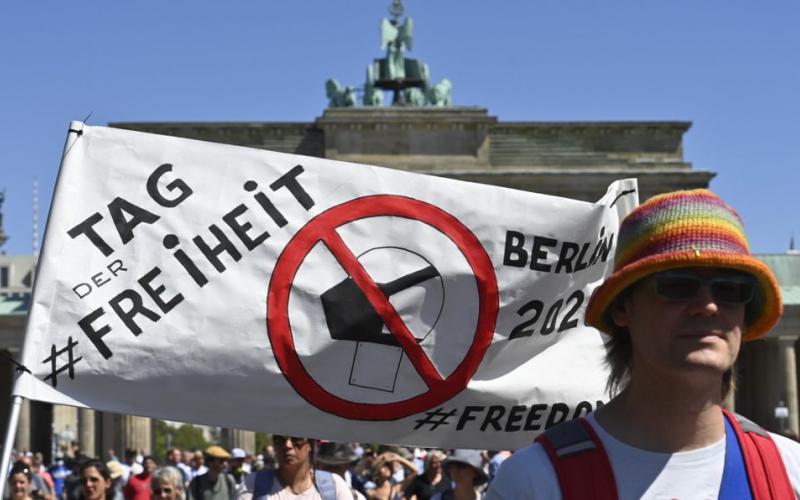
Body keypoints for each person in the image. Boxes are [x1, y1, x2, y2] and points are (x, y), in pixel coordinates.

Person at [487, 189, 800, 498]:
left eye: (731, 289)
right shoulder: (535, 482)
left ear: (744, 317)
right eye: (677, 285)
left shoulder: (789, 471)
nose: (708, 305)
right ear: (623, 307)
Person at [237, 435, 353, 500]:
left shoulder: (335, 485)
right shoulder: (252, 484)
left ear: (311, 445)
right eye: (279, 439)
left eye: (297, 438)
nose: (287, 445)